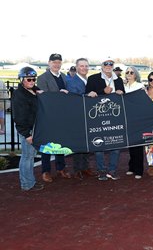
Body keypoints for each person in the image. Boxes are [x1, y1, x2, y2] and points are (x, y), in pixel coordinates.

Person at [85, 57, 125, 181]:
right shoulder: (93, 78)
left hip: (114, 117)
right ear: (102, 65)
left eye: (111, 64)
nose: (108, 65)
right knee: (99, 144)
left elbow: (123, 96)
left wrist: (121, 92)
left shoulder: (118, 80)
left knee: (116, 143)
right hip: (99, 116)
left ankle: (112, 170)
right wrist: (103, 91)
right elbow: (87, 96)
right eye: (106, 64)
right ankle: (101, 170)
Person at [36, 53, 70, 182]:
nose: (56, 64)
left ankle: (61, 168)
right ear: (49, 63)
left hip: (61, 116)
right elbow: (44, 97)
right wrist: (59, 94)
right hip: (48, 116)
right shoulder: (42, 78)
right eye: (54, 62)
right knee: (47, 143)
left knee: (60, 142)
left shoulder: (64, 77)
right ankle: (46, 171)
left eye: (58, 62)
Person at [12, 67, 44, 191]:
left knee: (31, 155)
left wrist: (38, 90)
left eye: (33, 79)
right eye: (29, 79)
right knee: (27, 156)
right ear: (22, 80)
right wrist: (27, 134)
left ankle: (29, 181)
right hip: (28, 130)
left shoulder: (33, 90)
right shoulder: (19, 95)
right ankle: (27, 183)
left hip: (34, 128)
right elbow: (19, 117)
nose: (32, 81)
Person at [66, 58, 96, 179]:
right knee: (79, 143)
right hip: (78, 116)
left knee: (87, 142)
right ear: (77, 67)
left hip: (88, 116)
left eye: (86, 66)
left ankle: (85, 166)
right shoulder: (72, 82)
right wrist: (86, 96)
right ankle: (77, 169)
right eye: (82, 66)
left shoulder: (88, 80)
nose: (84, 68)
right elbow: (73, 99)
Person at [124, 66, 146, 179]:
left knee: (138, 145)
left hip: (138, 118)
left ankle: (139, 170)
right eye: (127, 72)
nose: (129, 73)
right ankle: (131, 167)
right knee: (131, 144)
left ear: (135, 74)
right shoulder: (123, 86)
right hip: (127, 118)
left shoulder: (140, 86)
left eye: (131, 72)